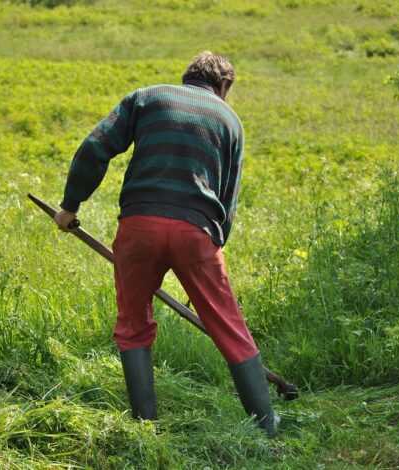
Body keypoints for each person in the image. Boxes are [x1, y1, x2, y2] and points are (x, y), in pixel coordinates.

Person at [54, 51, 278, 436]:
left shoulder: (146, 98)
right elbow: (229, 198)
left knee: (132, 325)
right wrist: (212, 253)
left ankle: (145, 427)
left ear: (187, 77)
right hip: (197, 232)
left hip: (139, 226)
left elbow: (95, 148)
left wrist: (70, 206)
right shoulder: (230, 122)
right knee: (229, 327)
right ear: (223, 87)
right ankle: (267, 425)